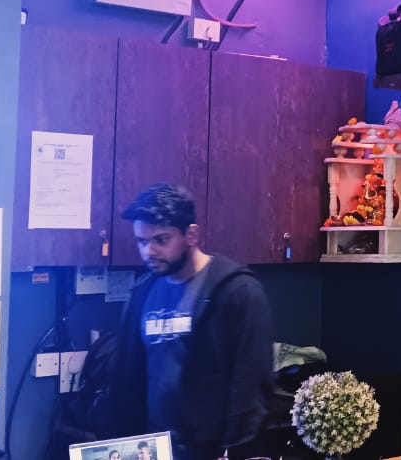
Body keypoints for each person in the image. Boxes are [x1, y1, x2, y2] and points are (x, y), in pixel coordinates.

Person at [101, 183, 276, 460]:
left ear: (191, 235)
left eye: (161, 240)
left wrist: (236, 451)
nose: (149, 252)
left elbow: (251, 384)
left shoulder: (237, 291)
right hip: (153, 449)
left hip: (211, 451)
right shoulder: (141, 294)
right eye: (142, 242)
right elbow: (125, 381)